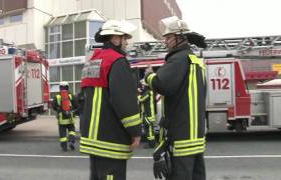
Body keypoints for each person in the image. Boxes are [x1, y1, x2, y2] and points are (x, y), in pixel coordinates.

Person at [145, 16, 207, 180]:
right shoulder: (195, 61)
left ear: (179, 38)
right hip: (196, 137)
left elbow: (162, 84)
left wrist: (149, 76)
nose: (165, 41)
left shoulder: (177, 59)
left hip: (181, 138)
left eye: (168, 37)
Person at [80, 20, 142, 180]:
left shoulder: (92, 61)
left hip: (92, 138)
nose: (127, 43)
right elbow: (124, 101)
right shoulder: (117, 62)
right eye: (125, 38)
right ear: (115, 38)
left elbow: (82, 98)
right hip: (110, 138)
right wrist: (135, 132)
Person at [52, 81, 78, 151]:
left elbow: (53, 106)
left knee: (62, 133)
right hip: (70, 117)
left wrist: (59, 109)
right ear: (67, 87)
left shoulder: (57, 96)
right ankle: (71, 141)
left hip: (61, 119)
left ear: (60, 87)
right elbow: (76, 105)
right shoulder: (71, 95)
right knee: (71, 130)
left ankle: (64, 147)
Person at [138, 80, 156, 148]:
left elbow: (141, 99)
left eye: (143, 85)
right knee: (148, 129)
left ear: (147, 85)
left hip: (148, 115)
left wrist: (138, 94)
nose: (142, 86)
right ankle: (151, 143)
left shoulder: (148, 92)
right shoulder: (147, 92)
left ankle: (152, 144)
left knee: (149, 130)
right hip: (147, 114)